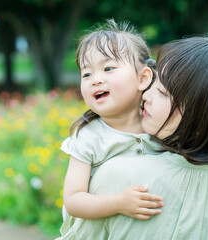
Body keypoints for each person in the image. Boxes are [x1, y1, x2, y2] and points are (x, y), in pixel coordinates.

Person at [60, 36, 208, 239]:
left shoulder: (119, 178)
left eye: (162, 92)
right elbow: (73, 199)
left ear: (201, 118)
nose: (146, 95)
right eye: (86, 73)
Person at [59, 19, 164, 237]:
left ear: (143, 78)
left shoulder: (158, 127)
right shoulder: (88, 137)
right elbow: (73, 201)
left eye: (108, 68)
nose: (95, 80)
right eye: (87, 74)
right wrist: (118, 203)